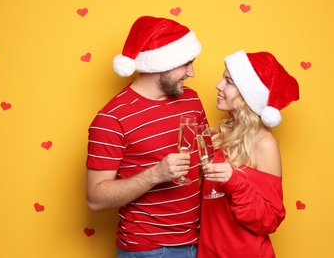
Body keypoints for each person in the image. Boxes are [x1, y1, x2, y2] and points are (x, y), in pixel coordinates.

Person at [86, 15, 207, 257]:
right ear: (161, 64)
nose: (191, 73)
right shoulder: (111, 119)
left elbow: (208, 159)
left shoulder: (191, 100)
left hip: (201, 240)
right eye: (186, 64)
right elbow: (95, 199)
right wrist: (157, 174)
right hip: (150, 250)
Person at [197, 50, 300, 257]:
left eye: (229, 81)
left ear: (248, 94)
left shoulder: (264, 143)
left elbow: (269, 220)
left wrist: (234, 182)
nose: (218, 85)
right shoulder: (219, 134)